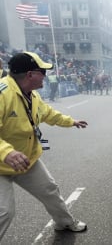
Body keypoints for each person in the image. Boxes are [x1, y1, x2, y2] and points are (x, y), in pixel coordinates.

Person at [0, 52, 88, 240]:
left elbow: (48, 114)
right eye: (42, 72)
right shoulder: (3, 94)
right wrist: (6, 152)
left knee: (50, 189)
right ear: (31, 75)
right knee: (4, 211)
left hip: (26, 159)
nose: (46, 76)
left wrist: (71, 121)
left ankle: (64, 222)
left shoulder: (32, 95)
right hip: (2, 163)